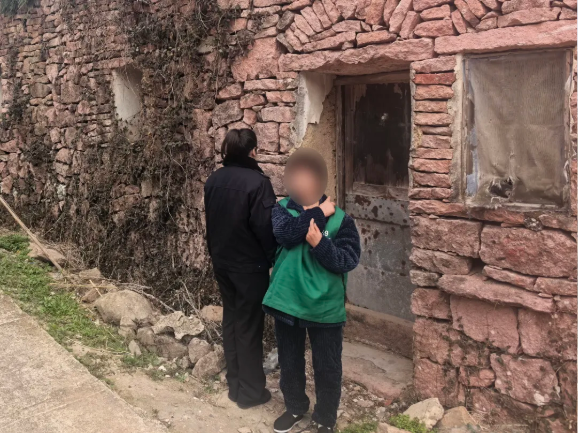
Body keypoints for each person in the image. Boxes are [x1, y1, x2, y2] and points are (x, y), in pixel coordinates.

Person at [262, 149, 361, 433]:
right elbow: (286, 236)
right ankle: (295, 406)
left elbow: (348, 260)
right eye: (297, 179)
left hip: (324, 306)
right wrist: (317, 213)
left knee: (327, 364)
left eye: (308, 179)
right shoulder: (282, 210)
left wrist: (321, 245)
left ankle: (325, 418)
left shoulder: (341, 220)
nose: (302, 185)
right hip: (288, 301)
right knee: (290, 358)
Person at [204, 128, 276, 409]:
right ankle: (250, 393)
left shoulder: (214, 180)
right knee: (248, 326)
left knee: (232, 320)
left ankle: (235, 385)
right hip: (249, 267)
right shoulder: (257, 183)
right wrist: (272, 258)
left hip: (222, 263)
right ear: (253, 151)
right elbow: (265, 228)